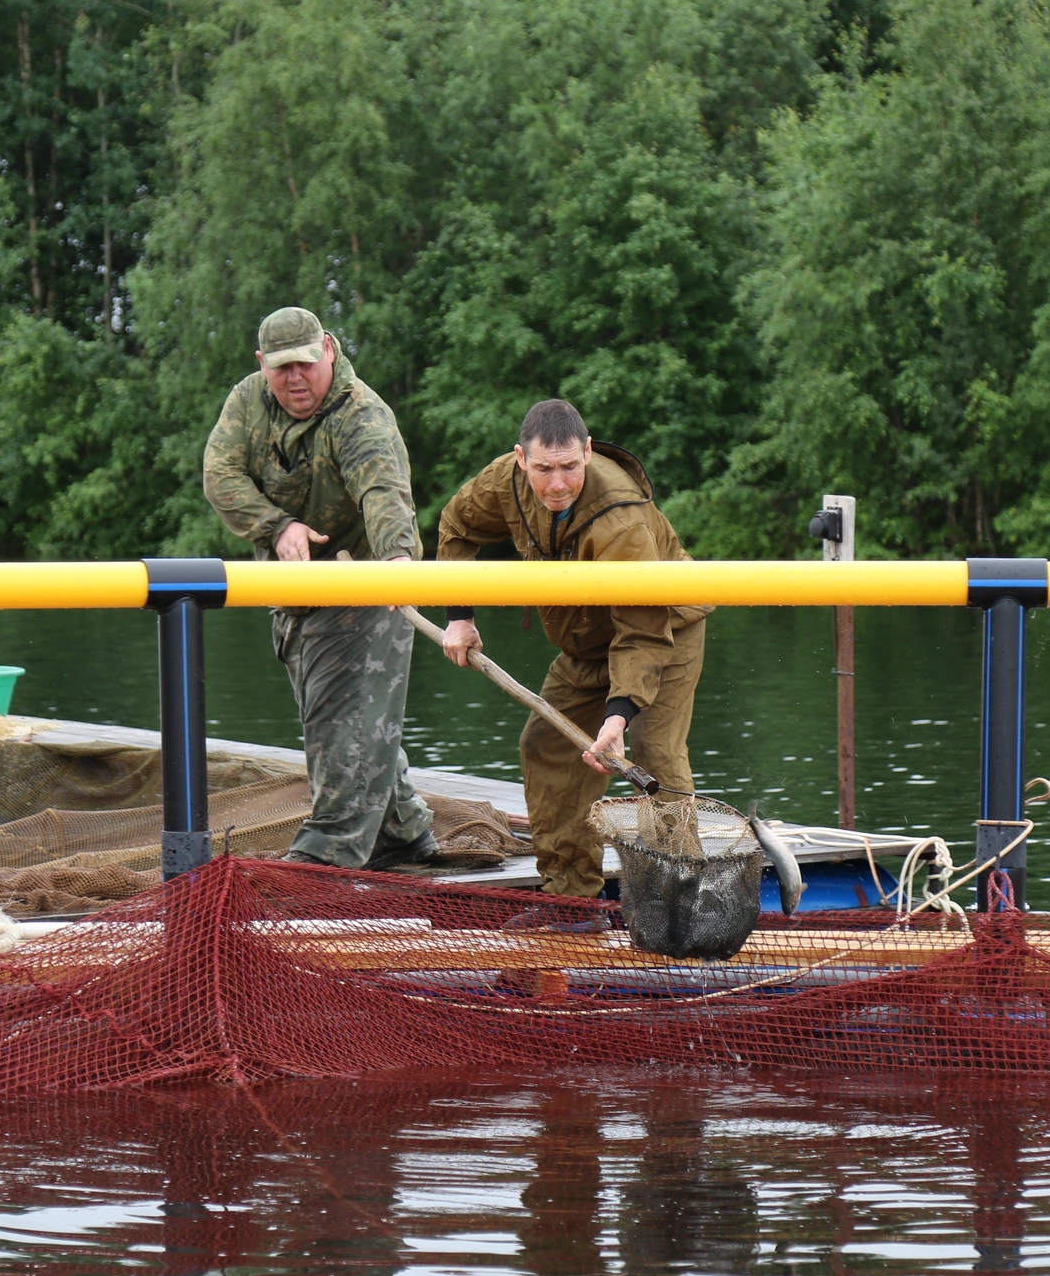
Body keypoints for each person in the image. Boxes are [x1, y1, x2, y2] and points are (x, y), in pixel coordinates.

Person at [434, 399, 709, 896]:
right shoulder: (504, 482)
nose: (557, 484)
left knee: (654, 757)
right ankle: (569, 897)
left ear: (586, 451)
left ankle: (679, 902)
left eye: (569, 467)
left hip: (664, 630)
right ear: (521, 459)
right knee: (546, 746)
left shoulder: (621, 520)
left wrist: (616, 716)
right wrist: (459, 616)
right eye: (543, 469)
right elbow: (456, 526)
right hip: (585, 640)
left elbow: (642, 634)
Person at [202, 306, 438, 869]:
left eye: (306, 364)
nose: (296, 379)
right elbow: (219, 474)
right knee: (345, 721)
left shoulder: (363, 417)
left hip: (367, 593)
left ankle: (325, 857)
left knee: (341, 727)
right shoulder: (246, 401)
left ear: (328, 350)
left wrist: (398, 562)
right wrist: (278, 526)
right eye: (281, 369)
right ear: (262, 366)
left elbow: (384, 491)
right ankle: (404, 831)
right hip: (293, 595)